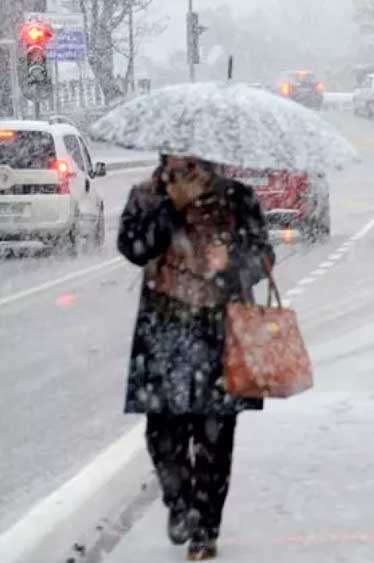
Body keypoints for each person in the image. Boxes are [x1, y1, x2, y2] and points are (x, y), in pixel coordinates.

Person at [118, 155, 275, 560]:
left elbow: (262, 256)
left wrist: (229, 265)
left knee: (215, 438)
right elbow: (134, 248)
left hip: (220, 332)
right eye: (174, 153)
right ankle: (179, 502)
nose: (182, 159)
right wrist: (172, 208)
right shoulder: (147, 197)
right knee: (162, 432)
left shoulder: (236, 197)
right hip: (164, 331)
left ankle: (205, 528)